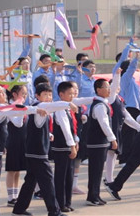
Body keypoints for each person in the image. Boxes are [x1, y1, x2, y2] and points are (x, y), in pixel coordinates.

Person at [0, 82, 44, 216]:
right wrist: (34, 109)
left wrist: (22, 108)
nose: (4, 94)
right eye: (0, 92)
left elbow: (17, 122)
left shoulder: (0, 109)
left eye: (4, 92)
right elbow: (15, 109)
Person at [11, 83, 72, 216]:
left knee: (31, 181)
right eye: (45, 94)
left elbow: (38, 125)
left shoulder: (42, 109)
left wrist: (48, 134)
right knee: (48, 181)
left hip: (34, 151)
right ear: (37, 96)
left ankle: (19, 209)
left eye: (50, 94)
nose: (48, 97)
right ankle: (54, 211)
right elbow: (52, 106)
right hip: (37, 152)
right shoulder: (40, 106)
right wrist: (67, 104)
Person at [85, 78, 118, 206]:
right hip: (97, 143)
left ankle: (95, 195)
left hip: (100, 143)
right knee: (95, 170)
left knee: (98, 170)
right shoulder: (99, 106)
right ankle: (92, 196)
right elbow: (104, 124)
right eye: (106, 87)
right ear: (98, 90)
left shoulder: (103, 102)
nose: (109, 89)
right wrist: (112, 139)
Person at [52, 81, 80, 212]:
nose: (72, 96)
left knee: (69, 175)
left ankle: (67, 202)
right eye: (69, 94)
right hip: (62, 147)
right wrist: (72, 145)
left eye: (73, 93)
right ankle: (60, 203)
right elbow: (65, 129)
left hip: (69, 146)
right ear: (61, 95)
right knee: (61, 176)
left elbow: (73, 128)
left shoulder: (68, 109)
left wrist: (76, 141)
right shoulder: (59, 109)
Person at [5, 85, 29, 207]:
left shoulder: (21, 106)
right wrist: (21, 109)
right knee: (11, 169)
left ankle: (15, 195)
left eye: (26, 94)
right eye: (22, 94)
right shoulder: (10, 107)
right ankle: (10, 197)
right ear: (14, 94)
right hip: (13, 140)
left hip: (22, 140)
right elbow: (17, 123)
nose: (25, 96)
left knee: (18, 169)